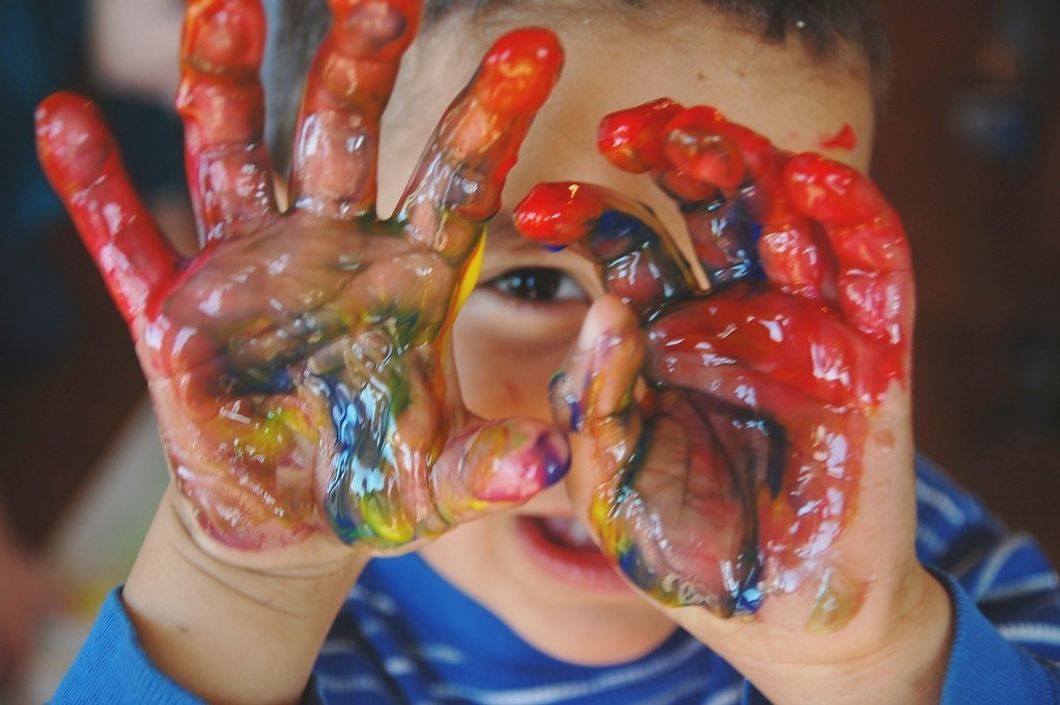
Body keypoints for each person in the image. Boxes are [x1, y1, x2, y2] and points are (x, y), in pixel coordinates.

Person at [35, 1, 1060, 704]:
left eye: (754, 296)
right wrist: (238, 591)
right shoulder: (269, 645)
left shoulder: (927, 585)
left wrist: (863, 663)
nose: (616, 393)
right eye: (528, 285)